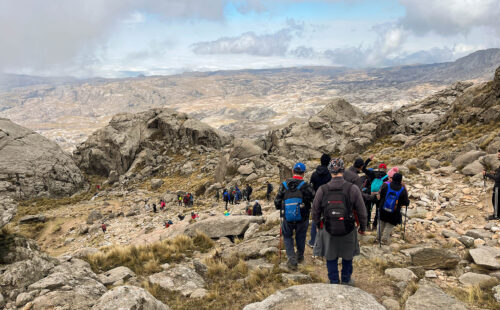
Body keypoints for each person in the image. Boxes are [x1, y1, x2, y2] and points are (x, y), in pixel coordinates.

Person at [312, 158, 367, 285]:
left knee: (330, 256)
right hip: (348, 228)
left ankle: (334, 281)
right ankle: (346, 279)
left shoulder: (322, 189)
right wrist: (362, 227)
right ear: (343, 170)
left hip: (328, 228)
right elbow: (362, 211)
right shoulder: (352, 188)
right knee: (348, 255)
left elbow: (315, 210)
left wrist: (317, 224)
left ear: (330, 171)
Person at [275, 162, 315, 270]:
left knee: (287, 236)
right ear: (303, 173)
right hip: (303, 216)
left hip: (287, 217)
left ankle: (291, 259)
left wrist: (282, 207)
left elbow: (277, 202)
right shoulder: (306, 186)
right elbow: (314, 199)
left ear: (293, 171)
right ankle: (300, 256)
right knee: (300, 236)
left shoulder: (283, 185)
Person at [308, 153, 332, 248]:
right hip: (327, 200)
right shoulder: (330, 175)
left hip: (316, 200)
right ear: (329, 162)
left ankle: (313, 241)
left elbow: (311, 187)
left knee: (315, 220)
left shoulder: (314, 174)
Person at [377, 173, 410, 244]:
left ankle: (378, 238)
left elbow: (380, 195)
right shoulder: (402, 189)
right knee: (390, 224)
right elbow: (406, 202)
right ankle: (384, 239)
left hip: (383, 207)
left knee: (381, 222)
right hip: (394, 211)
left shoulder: (385, 185)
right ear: (400, 180)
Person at [362, 155, 388, 230]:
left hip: (370, 194)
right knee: (378, 210)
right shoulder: (386, 176)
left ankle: (367, 225)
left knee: (368, 210)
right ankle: (375, 225)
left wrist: (368, 160)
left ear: (379, 168)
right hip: (379, 196)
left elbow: (363, 168)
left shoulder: (373, 173)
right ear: (385, 169)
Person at [484, 149, 500, 220]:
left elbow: (497, 178)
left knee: (495, 200)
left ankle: (496, 216)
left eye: (499, 154)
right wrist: (494, 173)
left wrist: (486, 174)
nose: (498, 155)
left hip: (498, 187)